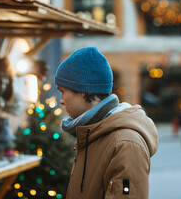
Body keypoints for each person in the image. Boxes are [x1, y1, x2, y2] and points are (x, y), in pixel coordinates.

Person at [54, 47, 158, 199]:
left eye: (63, 91)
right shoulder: (91, 132)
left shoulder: (125, 143)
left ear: (83, 90)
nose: (61, 100)